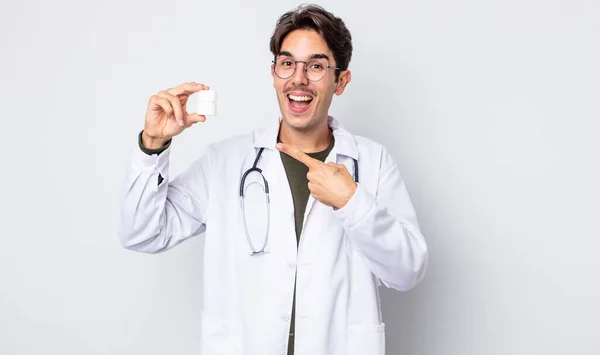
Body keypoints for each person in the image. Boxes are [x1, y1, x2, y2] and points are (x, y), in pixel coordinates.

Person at [118, 4, 428, 355]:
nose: (298, 78)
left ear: (341, 81)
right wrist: (153, 144)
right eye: (287, 63)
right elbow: (141, 233)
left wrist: (352, 203)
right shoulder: (225, 163)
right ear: (274, 73)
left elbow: (407, 271)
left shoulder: (372, 163)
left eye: (315, 66)